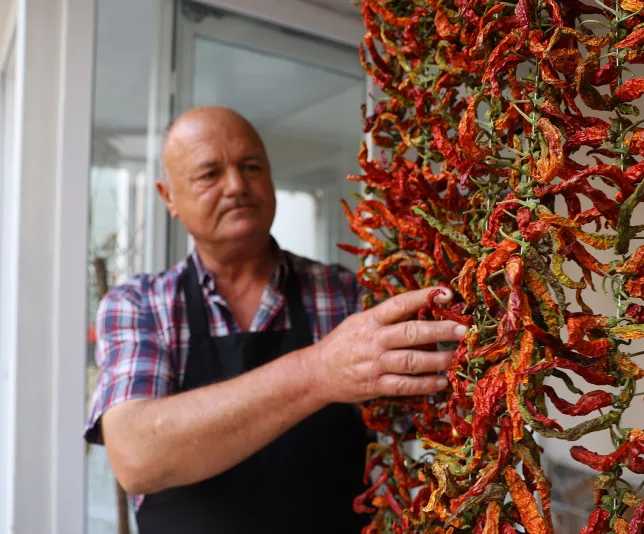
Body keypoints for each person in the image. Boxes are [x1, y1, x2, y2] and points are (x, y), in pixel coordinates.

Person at [84, 106, 467, 534]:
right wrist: (319, 370)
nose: (236, 186)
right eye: (209, 174)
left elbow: (427, 414)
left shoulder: (345, 293)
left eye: (251, 167)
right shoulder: (139, 306)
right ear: (168, 196)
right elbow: (136, 456)